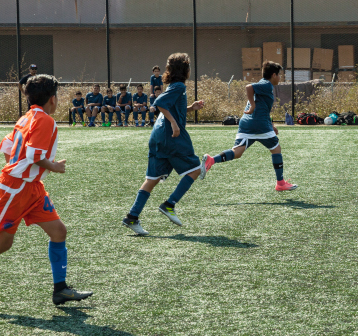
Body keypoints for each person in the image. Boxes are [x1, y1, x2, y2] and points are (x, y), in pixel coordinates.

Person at [0, 74, 93, 310]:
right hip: (16, 189)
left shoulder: (26, 117)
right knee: (2, 244)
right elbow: (34, 155)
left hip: (31, 187)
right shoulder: (44, 120)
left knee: (59, 231)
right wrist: (53, 167)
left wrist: (23, 169)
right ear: (53, 99)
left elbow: (7, 146)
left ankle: (61, 290)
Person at [121, 53, 206, 236]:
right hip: (171, 137)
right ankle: (169, 204)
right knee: (196, 169)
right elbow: (159, 103)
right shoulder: (179, 86)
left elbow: (170, 106)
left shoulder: (175, 87)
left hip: (158, 137)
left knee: (152, 180)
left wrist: (191, 108)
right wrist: (175, 124)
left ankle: (132, 216)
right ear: (185, 69)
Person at [200, 60, 297, 191]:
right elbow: (249, 87)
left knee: (237, 152)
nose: (280, 78)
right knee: (276, 149)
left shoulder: (265, 86)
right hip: (259, 124)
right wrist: (252, 105)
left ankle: (211, 160)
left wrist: (271, 125)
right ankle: (280, 183)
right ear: (273, 75)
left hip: (247, 123)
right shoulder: (267, 85)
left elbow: (264, 108)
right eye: (279, 75)